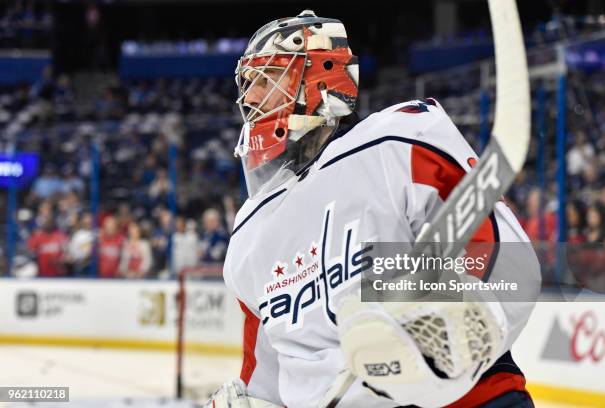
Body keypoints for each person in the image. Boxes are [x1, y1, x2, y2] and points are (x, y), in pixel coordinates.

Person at [212, 10, 539, 408]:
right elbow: (267, 382)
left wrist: (454, 331)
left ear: (317, 78)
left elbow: (510, 263)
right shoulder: (249, 232)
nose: (250, 99)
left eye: (265, 80)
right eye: (248, 86)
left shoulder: (398, 141)